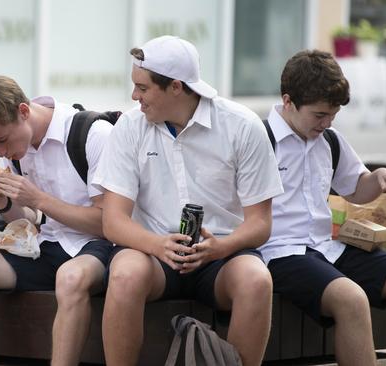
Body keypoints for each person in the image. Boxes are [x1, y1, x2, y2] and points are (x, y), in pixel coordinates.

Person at [93, 35, 284, 366]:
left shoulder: (242, 126)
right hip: (151, 253)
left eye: (143, 88)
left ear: (176, 87)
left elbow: (260, 223)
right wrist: (158, 245)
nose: (134, 96)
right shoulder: (129, 126)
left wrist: (221, 248)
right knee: (124, 274)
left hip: (222, 253)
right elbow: (113, 221)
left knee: (257, 280)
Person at [0, 75, 114, 366]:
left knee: (70, 277)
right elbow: (30, 222)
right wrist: (4, 203)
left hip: (96, 247)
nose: (0, 153)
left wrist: (39, 200)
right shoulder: (18, 149)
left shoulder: (94, 133)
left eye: (1, 141)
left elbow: (110, 222)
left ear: (24, 111)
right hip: (46, 244)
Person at [259, 49, 386, 366]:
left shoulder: (329, 140)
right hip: (279, 252)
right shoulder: (259, 140)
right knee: (352, 299)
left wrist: (378, 177)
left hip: (328, 246)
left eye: (333, 115)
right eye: (319, 115)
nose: (328, 122)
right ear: (288, 101)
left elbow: (356, 188)